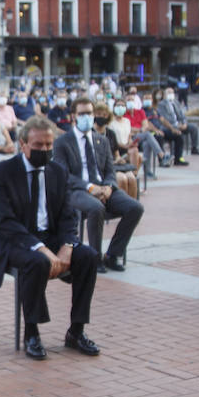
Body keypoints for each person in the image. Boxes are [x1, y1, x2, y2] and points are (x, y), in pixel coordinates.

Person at [0, 115, 101, 361]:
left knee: (87, 256)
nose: (45, 150)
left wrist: (68, 245)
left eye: (48, 145)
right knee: (37, 262)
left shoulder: (57, 171)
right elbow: (4, 221)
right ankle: (32, 332)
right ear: (23, 144)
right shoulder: (2, 172)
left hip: (51, 236)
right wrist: (39, 248)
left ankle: (76, 331)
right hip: (14, 240)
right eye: (38, 146)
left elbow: (68, 215)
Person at [57, 97, 144, 273]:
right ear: (73, 116)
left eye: (89, 113)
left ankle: (113, 254)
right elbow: (63, 174)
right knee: (96, 208)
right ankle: (95, 258)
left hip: (103, 187)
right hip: (78, 190)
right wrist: (91, 188)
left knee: (135, 207)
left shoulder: (101, 140)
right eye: (82, 114)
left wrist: (109, 187)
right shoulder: (63, 142)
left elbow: (110, 170)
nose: (86, 117)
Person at [94, 102, 140, 200]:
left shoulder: (111, 134)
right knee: (122, 179)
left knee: (131, 178)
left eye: (104, 115)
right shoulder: (91, 133)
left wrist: (119, 159)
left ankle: (132, 208)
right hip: (103, 168)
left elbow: (116, 154)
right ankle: (121, 207)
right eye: (98, 114)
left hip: (115, 164)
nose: (101, 117)